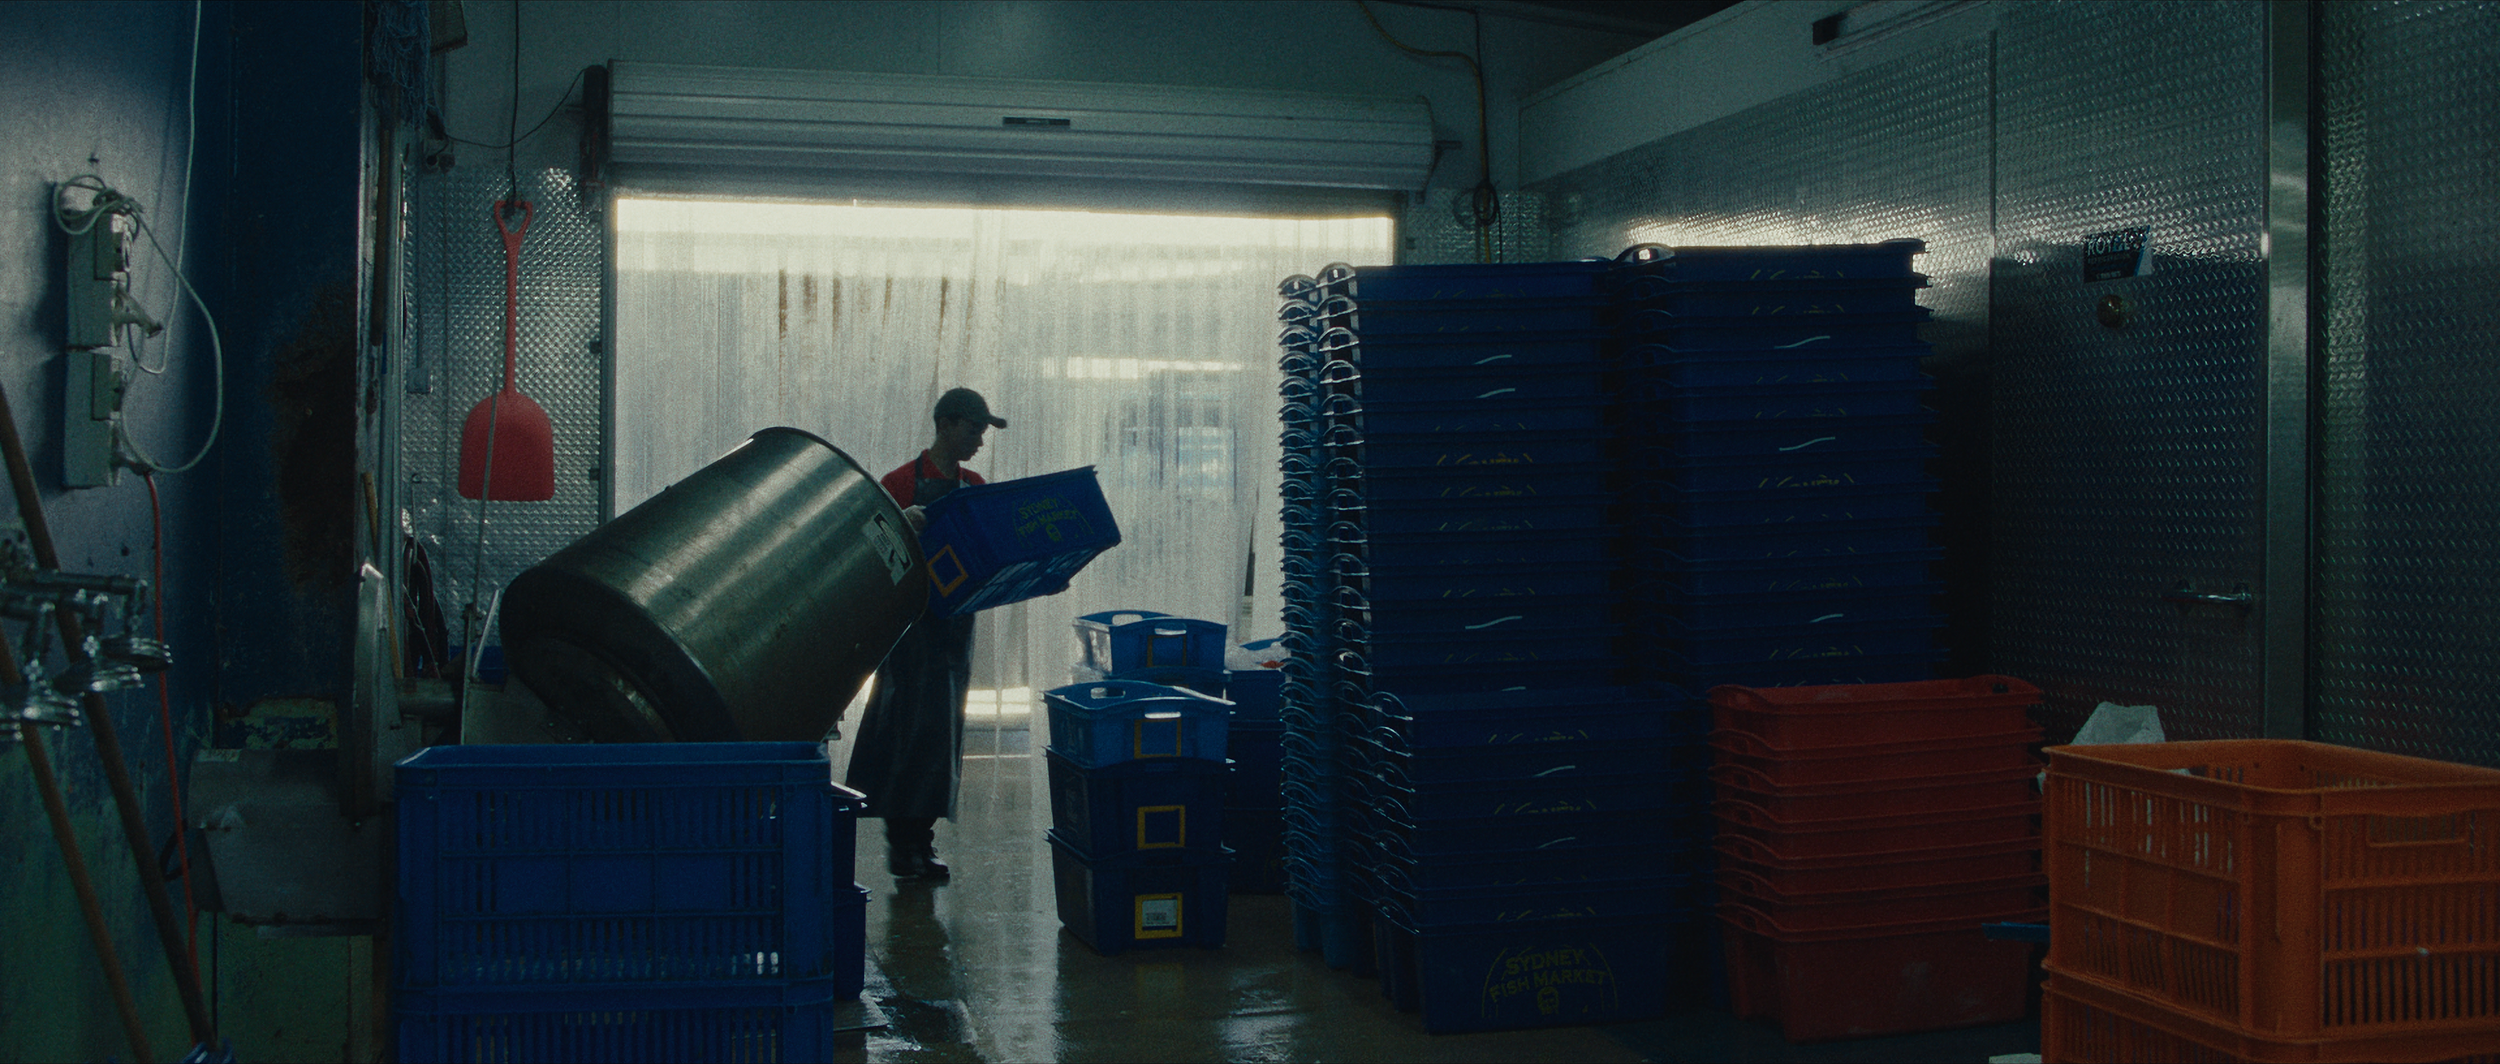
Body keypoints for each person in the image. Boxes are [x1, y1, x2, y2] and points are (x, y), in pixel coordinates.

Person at [846, 387, 1007, 882]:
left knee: (941, 737)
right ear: (946, 425)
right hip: (911, 631)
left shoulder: (976, 485)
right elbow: (868, 553)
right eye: (975, 428)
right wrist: (901, 526)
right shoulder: (897, 484)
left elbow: (991, 554)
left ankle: (924, 841)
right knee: (904, 733)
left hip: (955, 633)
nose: (980, 440)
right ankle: (902, 843)